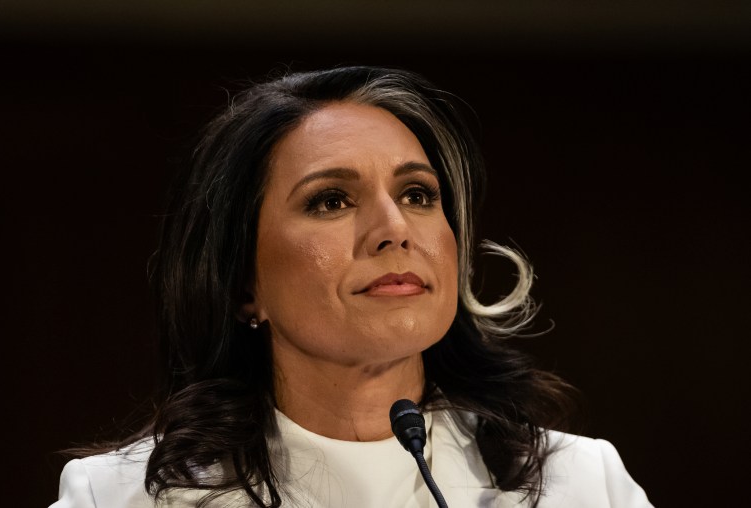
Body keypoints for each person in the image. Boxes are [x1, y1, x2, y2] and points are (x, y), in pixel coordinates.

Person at [51, 66, 653, 507]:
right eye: (331, 201)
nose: (394, 229)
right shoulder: (118, 498)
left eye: (418, 195)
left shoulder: (579, 485)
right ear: (241, 283)